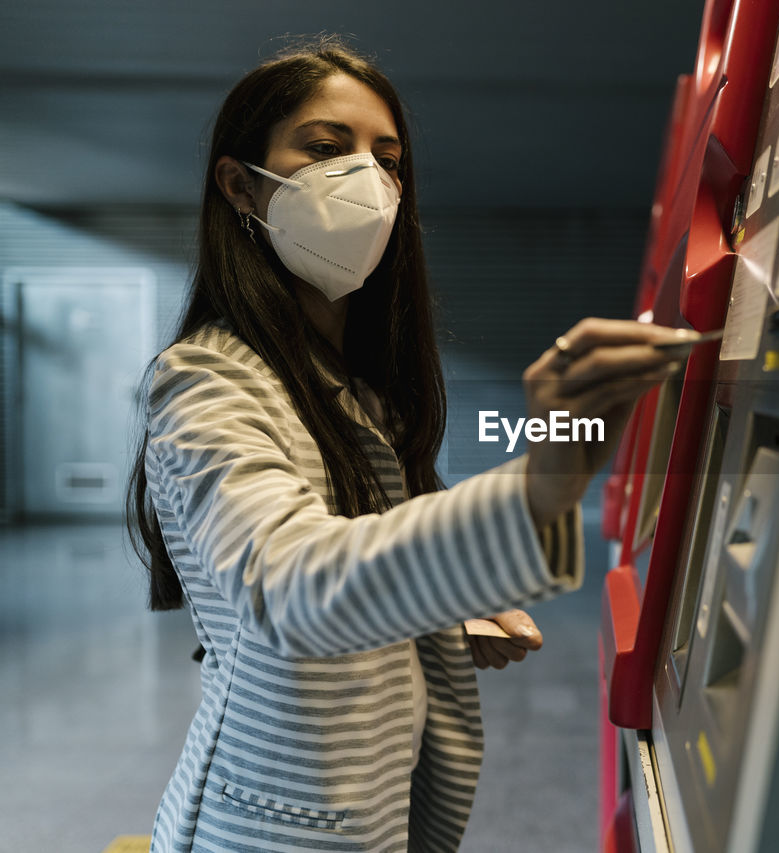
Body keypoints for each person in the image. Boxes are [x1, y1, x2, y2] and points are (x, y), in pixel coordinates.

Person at [127, 38, 691, 853]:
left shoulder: (356, 387)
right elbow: (290, 584)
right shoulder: (205, 380)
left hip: (364, 810)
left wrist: (446, 605)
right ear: (239, 184)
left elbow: (359, 557)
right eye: (326, 148)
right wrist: (542, 481)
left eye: (386, 158)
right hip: (266, 827)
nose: (368, 180)